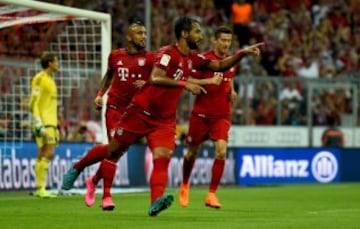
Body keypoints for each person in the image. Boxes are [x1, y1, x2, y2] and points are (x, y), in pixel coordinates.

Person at [62, 16, 262, 216]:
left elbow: (219, 66)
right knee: (114, 150)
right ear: (184, 34)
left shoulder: (193, 57)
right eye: (197, 31)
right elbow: (156, 77)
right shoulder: (167, 53)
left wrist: (242, 54)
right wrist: (185, 84)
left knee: (163, 156)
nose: (200, 36)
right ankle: (78, 167)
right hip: (140, 112)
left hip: (164, 120)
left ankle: (155, 202)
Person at [85, 21, 156, 211]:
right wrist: (100, 95)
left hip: (135, 112)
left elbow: (159, 79)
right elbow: (109, 75)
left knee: (117, 152)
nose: (144, 36)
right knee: (114, 150)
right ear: (129, 37)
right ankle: (106, 196)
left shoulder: (150, 58)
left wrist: (147, 83)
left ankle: (92, 181)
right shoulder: (116, 56)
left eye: (145, 33)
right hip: (115, 108)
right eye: (139, 33)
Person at [178, 26, 238, 209]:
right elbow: (187, 79)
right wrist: (208, 82)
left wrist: (232, 90)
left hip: (222, 115)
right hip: (201, 115)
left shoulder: (231, 61)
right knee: (191, 152)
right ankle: (185, 184)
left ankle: (211, 194)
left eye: (229, 41)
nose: (226, 44)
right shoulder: (203, 60)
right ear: (214, 40)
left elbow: (230, 76)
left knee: (221, 150)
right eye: (223, 40)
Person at [30, 52, 59, 198]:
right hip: (44, 123)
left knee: (42, 152)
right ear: (49, 63)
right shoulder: (40, 78)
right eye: (56, 61)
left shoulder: (50, 79)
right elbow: (34, 101)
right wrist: (38, 122)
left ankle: (39, 188)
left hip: (51, 122)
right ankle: (40, 188)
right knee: (49, 152)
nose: (57, 64)